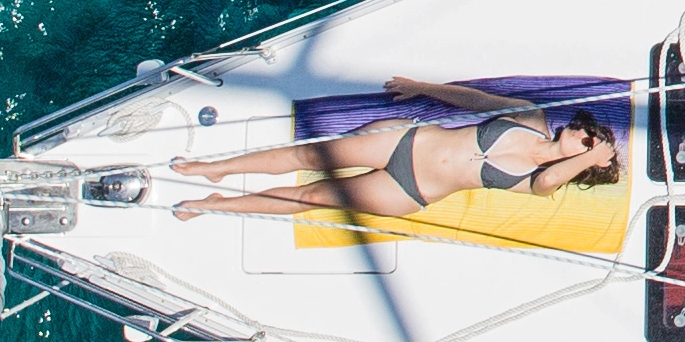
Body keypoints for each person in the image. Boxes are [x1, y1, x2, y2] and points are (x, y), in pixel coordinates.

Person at [171, 77, 624, 220]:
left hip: (412, 191)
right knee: (309, 157)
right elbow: (476, 101)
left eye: (588, 146)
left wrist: (590, 157)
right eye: (587, 134)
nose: (582, 137)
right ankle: (215, 169)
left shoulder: (542, 186)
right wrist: (418, 87)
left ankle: (215, 206)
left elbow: (547, 178)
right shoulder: (530, 117)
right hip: (406, 140)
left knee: (312, 198)